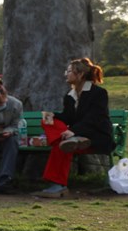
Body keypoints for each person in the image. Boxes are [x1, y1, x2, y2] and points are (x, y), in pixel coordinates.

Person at [33, 58, 115, 198]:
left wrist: (74, 131)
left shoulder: (99, 93)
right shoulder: (69, 96)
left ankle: (58, 185)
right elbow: (69, 117)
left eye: (69, 71)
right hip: (73, 137)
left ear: (80, 74)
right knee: (49, 124)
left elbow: (94, 119)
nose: (66, 74)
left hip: (95, 136)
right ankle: (68, 141)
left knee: (61, 146)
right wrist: (54, 116)